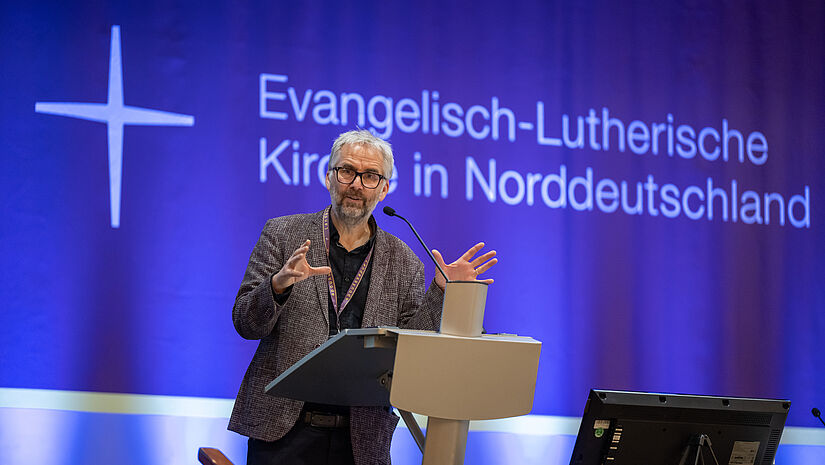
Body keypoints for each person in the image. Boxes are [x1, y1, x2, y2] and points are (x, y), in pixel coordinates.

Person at [228, 129, 497, 465]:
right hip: (283, 431)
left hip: (361, 440)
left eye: (370, 176)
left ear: (384, 189)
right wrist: (277, 286)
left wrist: (442, 292)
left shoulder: (405, 260)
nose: (356, 184)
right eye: (346, 171)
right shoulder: (282, 234)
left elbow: (412, 346)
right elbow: (245, 322)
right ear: (329, 178)